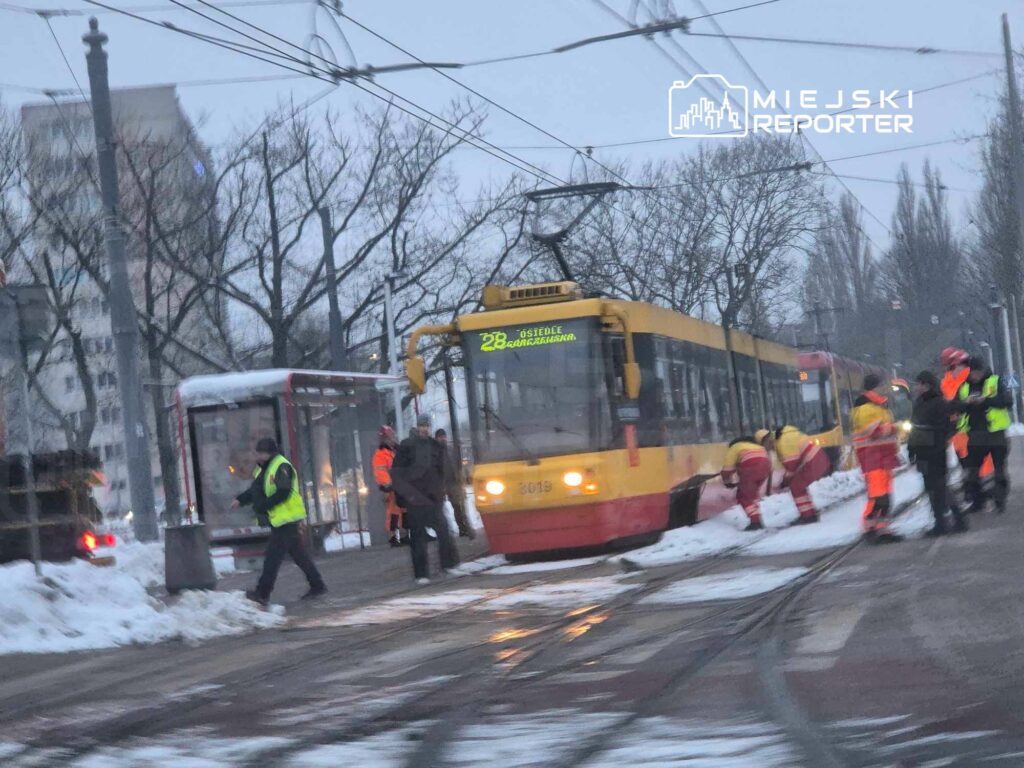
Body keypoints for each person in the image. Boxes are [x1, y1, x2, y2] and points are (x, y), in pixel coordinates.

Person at [233, 437, 326, 605]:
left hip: (287, 520)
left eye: (262, 453)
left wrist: (265, 505)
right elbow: (256, 490)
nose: (259, 456)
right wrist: (240, 500)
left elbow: (283, 491)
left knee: (272, 558)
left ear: (270, 453)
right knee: (299, 556)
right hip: (281, 520)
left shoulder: (280, 466)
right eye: (258, 453)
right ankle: (317, 584)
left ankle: (262, 593)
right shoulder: (264, 469)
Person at [391, 414, 460, 584]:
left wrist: (442, 490)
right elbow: (397, 474)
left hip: (432, 498)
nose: (425, 428)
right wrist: (406, 496)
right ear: (418, 426)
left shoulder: (435, 446)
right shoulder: (407, 446)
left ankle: (446, 565)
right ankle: (422, 574)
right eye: (422, 425)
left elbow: (442, 471)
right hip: (416, 500)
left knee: (443, 532)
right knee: (418, 537)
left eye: (427, 425)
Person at [909, 370, 967, 536]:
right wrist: (911, 451)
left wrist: (941, 439)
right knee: (932, 488)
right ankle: (945, 521)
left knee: (939, 487)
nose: (916, 387)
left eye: (918, 384)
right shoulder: (919, 403)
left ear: (926, 385)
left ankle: (948, 522)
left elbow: (952, 421)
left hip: (935, 451)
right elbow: (915, 429)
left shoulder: (939, 403)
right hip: (922, 452)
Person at [954, 356, 1012, 514]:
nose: (975, 375)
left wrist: (985, 400)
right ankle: (977, 501)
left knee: (999, 470)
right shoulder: (964, 386)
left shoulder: (995, 381)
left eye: (978, 372)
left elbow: (1006, 401)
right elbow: (955, 405)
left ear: (983, 370)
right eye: (973, 372)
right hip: (975, 435)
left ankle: (1000, 500)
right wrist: (966, 403)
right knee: (972, 471)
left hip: (996, 433)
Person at [851, 374, 901, 536]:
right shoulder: (867, 409)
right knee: (880, 496)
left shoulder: (877, 407)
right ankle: (877, 528)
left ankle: (876, 526)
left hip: (882, 458)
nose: (884, 389)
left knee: (881, 494)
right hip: (874, 458)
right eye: (881, 386)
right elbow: (876, 432)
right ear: (873, 388)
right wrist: (894, 428)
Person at [761, 425, 828, 524]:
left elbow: (791, 465)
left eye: (766, 446)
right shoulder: (784, 436)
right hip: (816, 459)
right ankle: (810, 512)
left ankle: (808, 516)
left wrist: (786, 481)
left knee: (796, 487)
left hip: (812, 461)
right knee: (798, 485)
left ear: (768, 440)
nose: (768, 449)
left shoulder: (783, 442)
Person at [721, 435, 772, 531]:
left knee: (743, 496)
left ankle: (755, 522)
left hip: (750, 469)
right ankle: (756, 518)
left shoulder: (735, 447)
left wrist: (727, 481)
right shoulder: (757, 446)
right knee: (752, 495)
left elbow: (728, 468)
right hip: (765, 468)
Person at [435, 428, 475, 539]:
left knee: (459, 506)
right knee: (443, 509)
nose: (443, 439)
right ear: (436, 438)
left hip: (454, 482)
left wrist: (463, 477)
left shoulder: (451, 449)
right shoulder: (434, 452)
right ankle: (448, 531)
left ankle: (463, 528)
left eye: (444, 436)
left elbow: (459, 465)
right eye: (440, 437)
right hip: (442, 483)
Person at [372, 426, 404, 547]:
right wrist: (388, 486)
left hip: (397, 486)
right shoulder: (381, 454)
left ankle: (402, 534)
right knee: (393, 512)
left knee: (400, 511)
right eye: (390, 437)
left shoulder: (393, 451)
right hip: (390, 488)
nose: (392, 439)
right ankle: (393, 537)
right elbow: (380, 472)